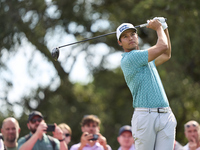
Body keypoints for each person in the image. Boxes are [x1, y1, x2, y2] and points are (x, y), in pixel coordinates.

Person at [116, 17, 177, 150]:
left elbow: (166, 54)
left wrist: (164, 27)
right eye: (125, 37)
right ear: (120, 42)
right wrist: (158, 28)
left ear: (137, 35)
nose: (130, 38)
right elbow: (162, 46)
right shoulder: (130, 58)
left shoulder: (146, 58)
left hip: (166, 114)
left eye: (132, 34)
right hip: (145, 116)